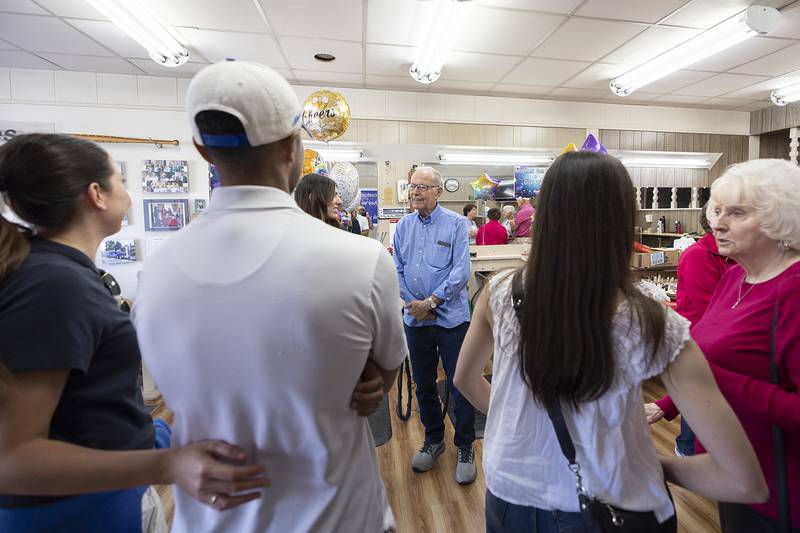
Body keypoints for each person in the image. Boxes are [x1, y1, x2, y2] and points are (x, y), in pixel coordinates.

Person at [132, 60, 407, 532]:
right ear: (293, 145)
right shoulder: (360, 261)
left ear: (201, 149)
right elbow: (385, 367)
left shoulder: (154, 275)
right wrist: (366, 379)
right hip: (341, 517)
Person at [453, 151, 767, 533]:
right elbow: (742, 480)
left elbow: (465, 380)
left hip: (510, 495)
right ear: (621, 219)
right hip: (615, 502)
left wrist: (520, 428)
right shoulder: (654, 324)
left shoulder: (499, 293)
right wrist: (651, 463)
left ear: (545, 214)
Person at [0, 133, 267, 532]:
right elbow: (12, 459)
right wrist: (168, 463)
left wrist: (156, 434)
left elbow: (86, 404)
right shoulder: (53, 284)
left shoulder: (60, 273)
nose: (125, 190)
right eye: (119, 179)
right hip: (70, 514)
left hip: (101, 495)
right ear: (97, 194)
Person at [645, 159, 800, 532]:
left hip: (782, 490)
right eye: (717, 210)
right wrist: (666, 404)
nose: (717, 223)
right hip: (729, 471)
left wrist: (711, 380)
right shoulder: (734, 278)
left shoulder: (793, 290)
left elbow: (713, 372)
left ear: (782, 220)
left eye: (737, 212)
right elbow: (706, 353)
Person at [392, 166, 477, 485]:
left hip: (450, 319)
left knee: (460, 382)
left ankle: (465, 444)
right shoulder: (402, 226)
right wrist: (415, 304)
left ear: (439, 192)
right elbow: (396, 267)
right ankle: (434, 438)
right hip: (416, 318)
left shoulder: (456, 225)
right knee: (424, 383)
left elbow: (461, 271)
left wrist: (432, 302)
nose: (415, 192)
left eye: (422, 187)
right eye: (412, 187)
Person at [649, 205, 734, 458]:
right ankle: (687, 453)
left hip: (721, 350)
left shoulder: (740, 258)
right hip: (704, 348)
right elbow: (708, 312)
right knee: (698, 416)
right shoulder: (699, 256)